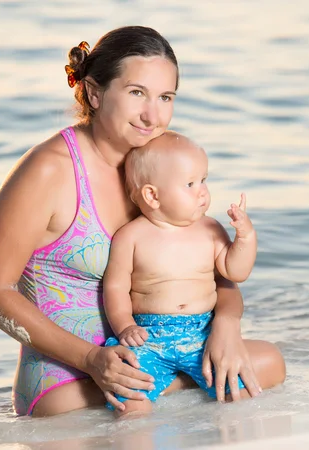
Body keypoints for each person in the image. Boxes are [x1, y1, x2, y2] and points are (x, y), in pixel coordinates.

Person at [0, 25, 286, 417]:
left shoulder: (160, 167)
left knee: (267, 362)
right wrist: (92, 360)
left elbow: (218, 274)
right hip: (72, 375)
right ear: (94, 92)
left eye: (165, 97)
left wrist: (226, 328)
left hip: (157, 358)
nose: (153, 115)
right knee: (184, 395)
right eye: (137, 93)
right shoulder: (49, 171)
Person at [104, 131, 257, 417]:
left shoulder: (210, 229)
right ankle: (138, 437)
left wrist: (245, 237)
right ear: (152, 195)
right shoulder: (131, 237)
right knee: (128, 393)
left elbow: (235, 271)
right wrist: (125, 325)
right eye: (190, 184)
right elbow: (115, 289)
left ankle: (227, 434)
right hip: (148, 336)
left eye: (203, 180)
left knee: (240, 386)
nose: (202, 191)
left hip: (203, 334)